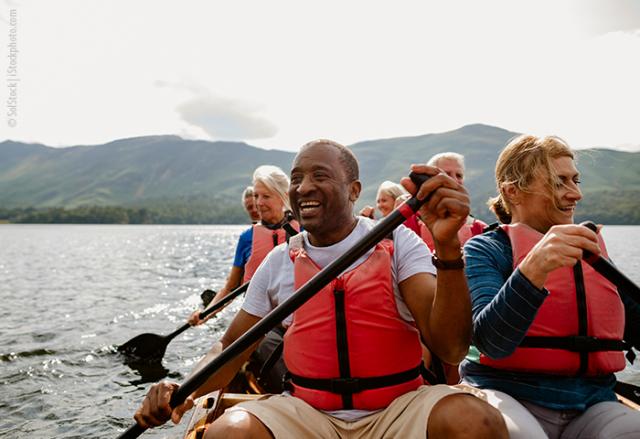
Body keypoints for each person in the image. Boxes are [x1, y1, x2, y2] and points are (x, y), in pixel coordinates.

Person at [135, 139, 507, 438]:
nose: (303, 187)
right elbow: (228, 349)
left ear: (353, 190)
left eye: (319, 176)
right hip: (308, 413)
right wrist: (180, 393)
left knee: (477, 422)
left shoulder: (400, 246)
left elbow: (451, 348)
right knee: (227, 432)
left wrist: (446, 247)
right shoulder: (279, 261)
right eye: (296, 178)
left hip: (397, 408)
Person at [460, 134, 640, 438]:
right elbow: (492, 342)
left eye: (575, 180)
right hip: (507, 393)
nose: (575, 194)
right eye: (559, 183)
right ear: (512, 192)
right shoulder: (486, 249)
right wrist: (535, 267)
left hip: (591, 402)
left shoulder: (590, 251)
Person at [189, 165, 299, 326]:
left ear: (283, 196)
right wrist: (205, 315)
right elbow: (230, 288)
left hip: (294, 317)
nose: (258, 203)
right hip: (257, 321)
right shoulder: (247, 238)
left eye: (266, 196)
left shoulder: (304, 230)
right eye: (256, 196)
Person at [419, 152, 487, 251]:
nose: (454, 180)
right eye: (446, 174)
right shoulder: (409, 219)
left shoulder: (479, 228)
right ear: (429, 179)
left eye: (459, 175)